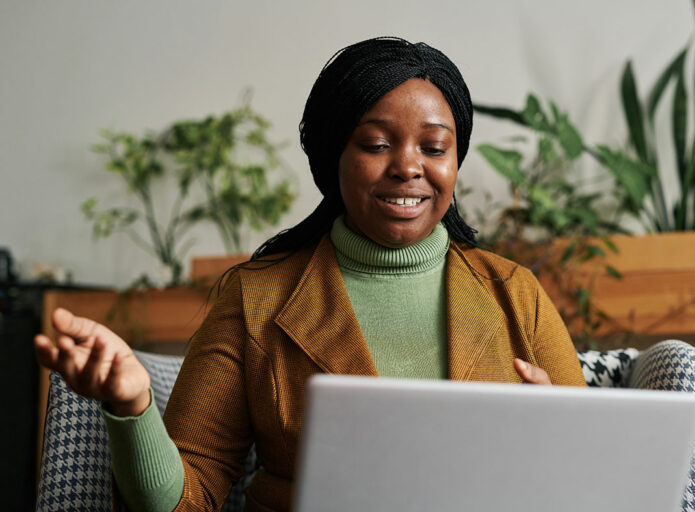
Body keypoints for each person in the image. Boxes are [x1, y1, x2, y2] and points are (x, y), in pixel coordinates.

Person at [34, 37, 586, 512]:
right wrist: (131, 409)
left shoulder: (515, 294)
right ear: (332, 158)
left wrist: (558, 445)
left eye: (434, 147)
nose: (408, 166)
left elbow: (598, 483)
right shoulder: (255, 297)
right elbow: (189, 499)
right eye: (376, 144)